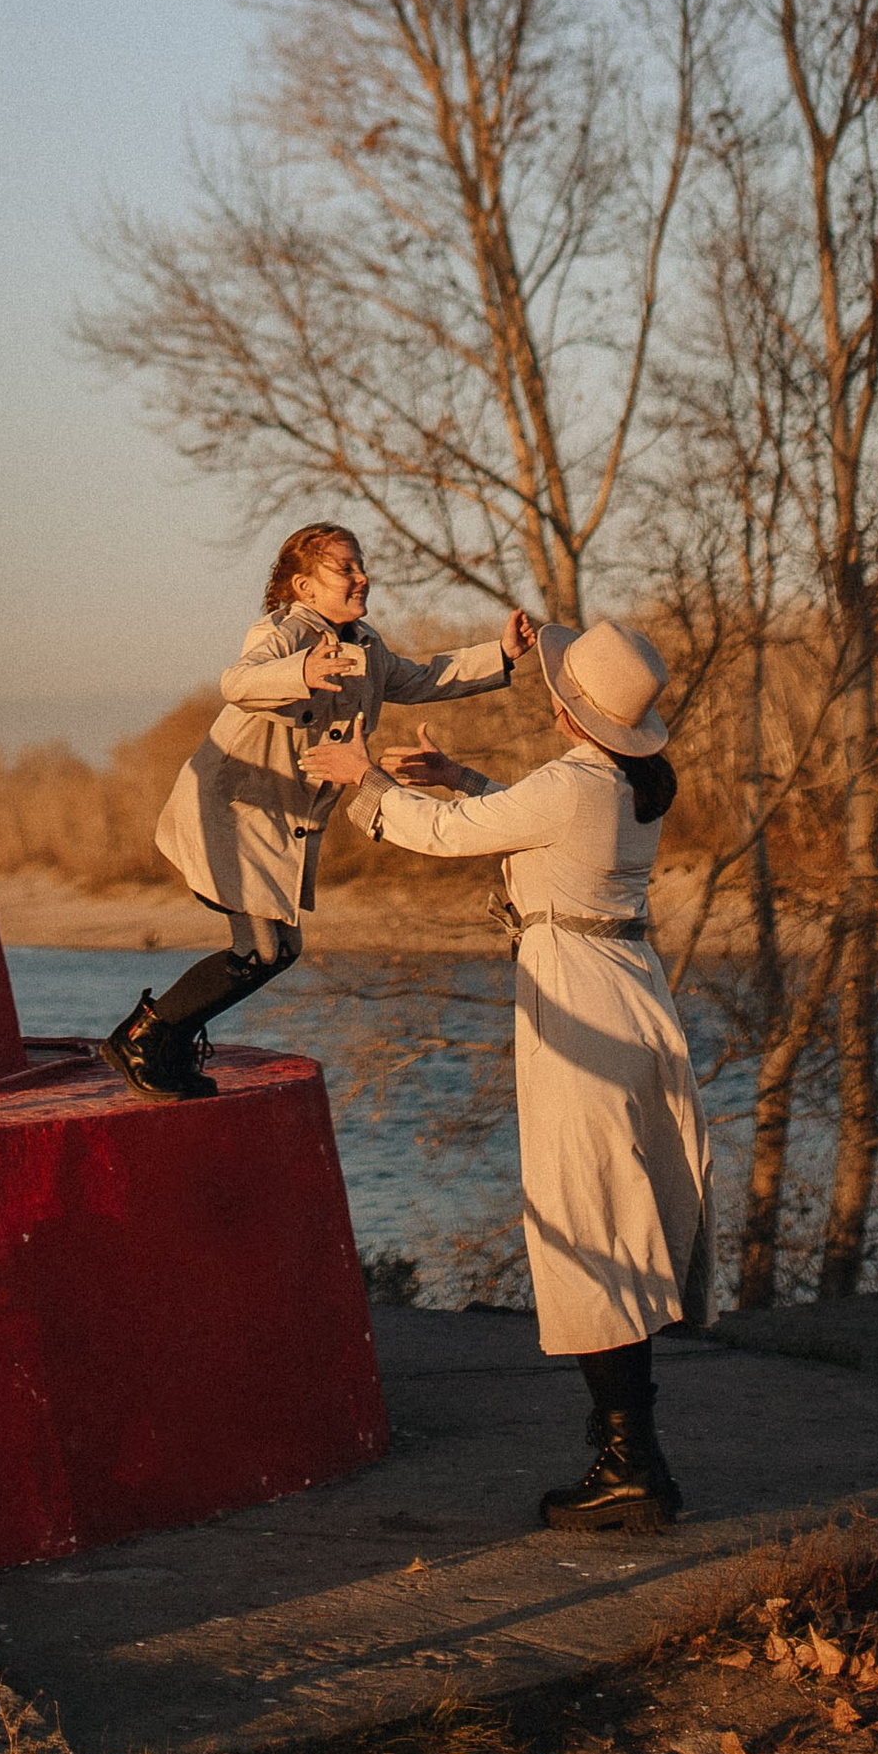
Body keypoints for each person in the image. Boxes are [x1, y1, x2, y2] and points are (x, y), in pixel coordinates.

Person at [304, 615, 713, 1531]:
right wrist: (460, 779)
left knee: (587, 1211)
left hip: (581, 1001)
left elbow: (454, 837)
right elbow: (538, 829)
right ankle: (631, 1455)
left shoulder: (575, 781)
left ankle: (630, 1463)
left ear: (570, 709)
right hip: (627, 991)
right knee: (616, 1205)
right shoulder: (629, 782)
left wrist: (361, 780)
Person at [101, 522, 534, 1103]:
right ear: (304, 587)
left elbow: (422, 677)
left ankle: (161, 1037)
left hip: (281, 825)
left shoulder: (368, 646)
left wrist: (500, 654)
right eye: (346, 568)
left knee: (282, 950)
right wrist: (299, 672)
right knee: (260, 949)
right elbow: (237, 681)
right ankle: (144, 1039)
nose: (363, 577)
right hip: (231, 813)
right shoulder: (281, 633)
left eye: (361, 565)